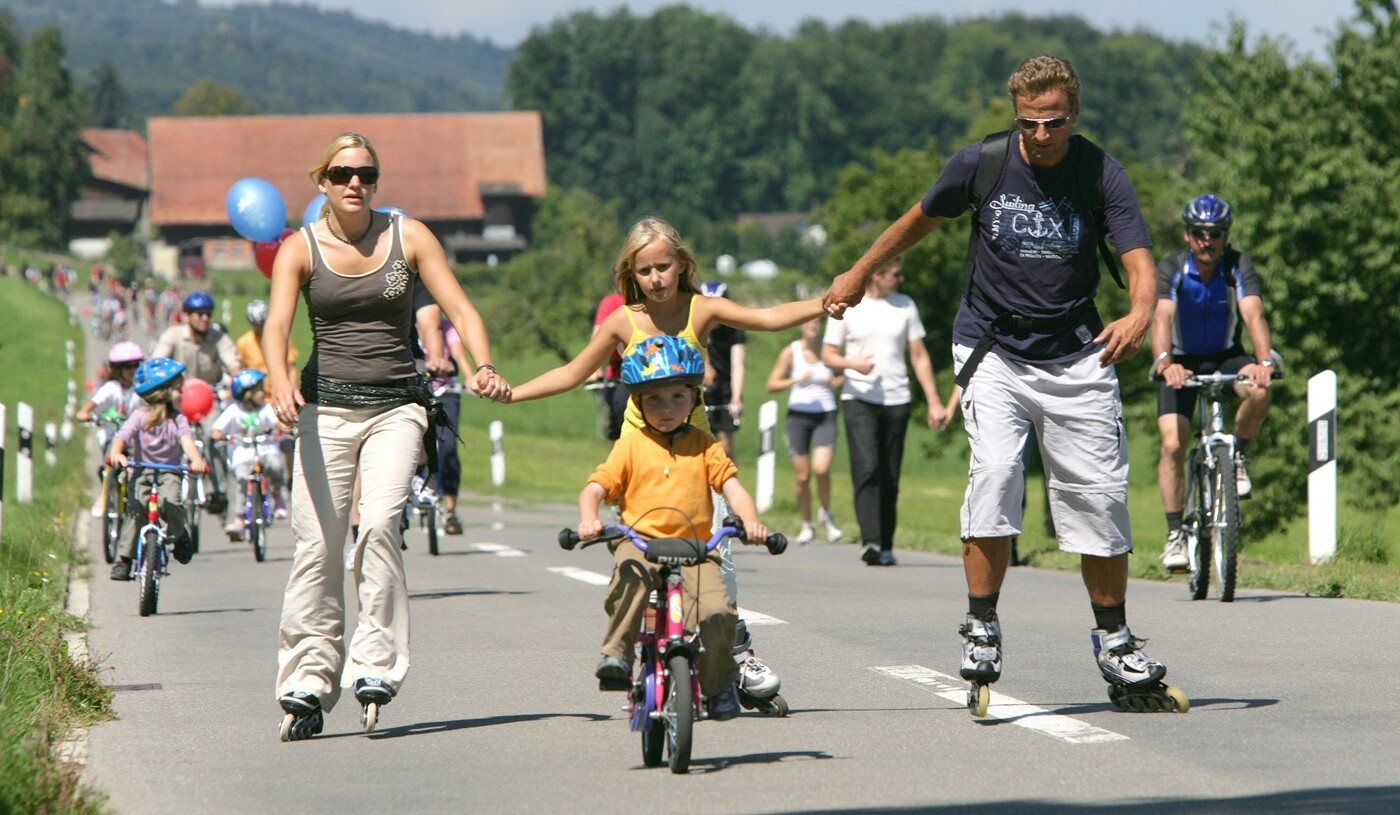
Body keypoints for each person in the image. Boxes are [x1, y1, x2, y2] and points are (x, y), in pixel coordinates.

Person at [822, 55, 1179, 706]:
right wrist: (855, 272)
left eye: (1054, 122)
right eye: (1029, 122)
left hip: (1077, 351)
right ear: (1015, 114)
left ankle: (1115, 640)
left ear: (1073, 115)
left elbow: (1139, 263)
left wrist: (1136, 312)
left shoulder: (1101, 172)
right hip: (993, 347)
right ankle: (981, 624)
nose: (1041, 134)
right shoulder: (981, 163)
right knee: (995, 475)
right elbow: (915, 221)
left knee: (1099, 496)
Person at [510, 216, 822, 709]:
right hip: (640, 459)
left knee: (720, 569)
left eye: (664, 267)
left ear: (682, 265)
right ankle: (629, 653)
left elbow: (768, 317)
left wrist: (825, 302)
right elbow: (574, 371)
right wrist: (513, 393)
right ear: (631, 274)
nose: (656, 278)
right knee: (636, 563)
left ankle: (728, 663)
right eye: (645, 270)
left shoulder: (702, 309)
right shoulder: (622, 320)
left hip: (696, 452)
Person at [261, 132, 511, 741]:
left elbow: (462, 310)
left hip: (398, 407)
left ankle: (374, 667)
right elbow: (275, 325)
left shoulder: (410, 236)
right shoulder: (300, 249)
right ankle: (308, 681)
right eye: (343, 173)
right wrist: (277, 378)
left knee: (377, 525)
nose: (355, 183)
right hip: (324, 412)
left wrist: (482, 363)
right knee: (317, 545)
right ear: (322, 180)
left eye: (366, 174)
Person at [579, 336, 771, 720]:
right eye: (654, 400)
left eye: (677, 398)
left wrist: (750, 521)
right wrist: (590, 518)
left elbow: (733, 488)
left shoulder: (704, 445)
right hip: (641, 541)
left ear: (694, 399)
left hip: (697, 545)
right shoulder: (631, 446)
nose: (666, 409)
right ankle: (617, 654)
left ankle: (718, 686)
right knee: (629, 580)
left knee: (718, 610)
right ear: (638, 402)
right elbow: (596, 488)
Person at [1153, 194, 1274, 571]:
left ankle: (1236, 454)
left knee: (1259, 390)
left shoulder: (1237, 266)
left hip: (1226, 355)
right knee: (1173, 442)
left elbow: (1253, 315)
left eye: (1216, 233)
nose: (1208, 241)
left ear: (1225, 236)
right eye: (1200, 233)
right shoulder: (1172, 267)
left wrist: (1264, 361)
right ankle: (1175, 533)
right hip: (1181, 361)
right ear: (1189, 235)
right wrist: (1164, 363)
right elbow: (1160, 319)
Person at [822, 257, 949, 566]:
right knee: (866, 466)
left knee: (890, 472)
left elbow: (918, 356)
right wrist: (854, 365)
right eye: (896, 273)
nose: (901, 279)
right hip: (859, 397)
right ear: (876, 275)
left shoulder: (905, 305)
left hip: (897, 398)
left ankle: (887, 543)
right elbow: (828, 355)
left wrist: (934, 400)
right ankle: (872, 541)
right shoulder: (850, 305)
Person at [106, 358, 210, 581]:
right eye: (178, 389)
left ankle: (179, 534)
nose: (183, 394)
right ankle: (124, 559)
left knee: (171, 503)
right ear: (161, 392)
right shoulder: (139, 416)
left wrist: (196, 460)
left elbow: (187, 442)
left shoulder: (178, 419)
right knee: (135, 510)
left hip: (169, 471)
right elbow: (121, 437)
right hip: (141, 471)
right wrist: (116, 453)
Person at [766, 317, 845, 544]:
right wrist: (796, 380)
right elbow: (772, 384)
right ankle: (806, 523)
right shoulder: (791, 352)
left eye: (817, 323)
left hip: (825, 414)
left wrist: (835, 380)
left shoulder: (828, 351)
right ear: (801, 326)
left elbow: (843, 374)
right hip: (798, 416)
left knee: (821, 469)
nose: (812, 326)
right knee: (802, 476)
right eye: (809, 322)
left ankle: (826, 513)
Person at [410, 280, 472, 535]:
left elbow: (458, 355)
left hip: (444, 391)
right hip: (415, 391)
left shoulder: (447, 331)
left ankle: (450, 510)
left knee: (447, 448)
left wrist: (471, 377)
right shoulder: (407, 332)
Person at [211, 369, 287, 537]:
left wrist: (284, 427)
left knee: (275, 465)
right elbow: (217, 428)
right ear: (247, 394)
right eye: (259, 389)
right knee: (243, 481)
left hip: (266, 449)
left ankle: (277, 494)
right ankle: (239, 517)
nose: (264, 392)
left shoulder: (266, 409)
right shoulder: (233, 410)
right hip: (243, 454)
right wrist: (219, 434)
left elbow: (278, 422)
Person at [77, 341, 146, 516]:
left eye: (136, 365)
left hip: (134, 440)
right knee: (110, 462)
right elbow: (87, 409)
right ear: (118, 369)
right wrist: (86, 415)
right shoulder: (111, 389)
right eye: (127, 366)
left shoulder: (141, 390)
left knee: (143, 465)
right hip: (112, 436)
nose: (132, 370)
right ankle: (105, 495)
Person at [237, 299, 300, 481]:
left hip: (278, 397)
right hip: (256, 400)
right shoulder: (244, 343)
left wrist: (292, 390)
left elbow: (291, 367)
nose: (259, 328)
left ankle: (289, 478)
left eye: (262, 324)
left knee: (286, 438)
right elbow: (242, 370)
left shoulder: (280, 339)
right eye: (255, 325)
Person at [153, 291, 242, 387]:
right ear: (187, 316)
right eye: (200, 314)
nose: (205, 318)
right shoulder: (173, 335)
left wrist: (237, 378)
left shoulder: (219, 337)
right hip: (180, 394)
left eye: (208, 314)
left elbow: (233, 363)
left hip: (210, 395)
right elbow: (157, 361)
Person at [700, 281, 746, 458]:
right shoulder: (697, 326)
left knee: (725, 447)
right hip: (700, 389)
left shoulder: (733, 330)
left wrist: (736, 397)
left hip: (725, 389)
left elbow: (738, 365)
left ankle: (727, 483)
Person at [585, 292, 630, 443]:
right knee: (620, 410)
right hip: (620, 372)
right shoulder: (612, 302)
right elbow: (598, 341)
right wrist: (595, 369)